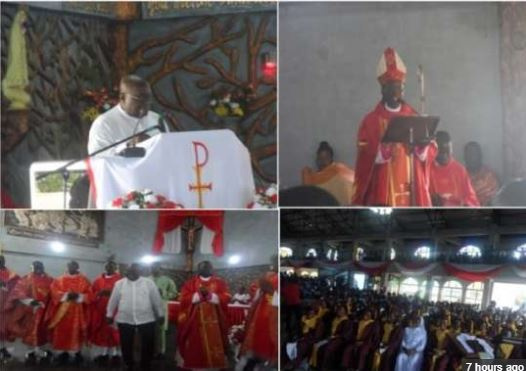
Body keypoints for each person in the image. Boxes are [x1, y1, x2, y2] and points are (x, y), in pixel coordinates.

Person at [352, 47, 436, 206]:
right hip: (383, 189)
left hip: (411, 187)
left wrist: (422, 148)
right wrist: (382, 150)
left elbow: (430, 151)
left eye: (401, 88)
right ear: (383, 89)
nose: (397, 93)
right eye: (393, 88)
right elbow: (364, 154)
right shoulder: (370, 121)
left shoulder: (414, 116)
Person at [87, 75, 165, 156]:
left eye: (148, 98)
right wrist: (128, 146)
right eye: (139, 98)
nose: (145, 103)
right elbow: (97, 159)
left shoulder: (156, 119)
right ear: (122, 97)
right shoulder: (104, 123)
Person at [106, 263, 164, 371]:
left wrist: (160, 314)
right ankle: (128, 364)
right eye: (128, 271)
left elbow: (156, 300)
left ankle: (145, 364)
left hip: (146, 318)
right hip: (125, 319)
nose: (130, 273)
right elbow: (113, 300)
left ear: (140, 272)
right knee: (126, 343)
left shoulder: (148, 283)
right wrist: (109, 314)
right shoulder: (119, 284)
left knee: (148, 343)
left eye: (133, 271)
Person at [178, 260, 231, 369]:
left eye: (207, 267)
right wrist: (198, 295)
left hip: (215, 322)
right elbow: (183, 298)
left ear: (212, 269)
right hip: (195, 322)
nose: (205, 269)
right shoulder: (191, 283)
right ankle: (195, 364)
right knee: (195, 345)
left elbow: (226, 297)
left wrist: (210, 296)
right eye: (202, 267)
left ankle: (214, 365)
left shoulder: (220, 283)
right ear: (198, 270)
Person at [7, 261, 53, 365]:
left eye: (40, 266)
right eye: (35, 267)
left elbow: (54, 292)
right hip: (30, 310)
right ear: (31, 268)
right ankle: (30, 353)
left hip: (45, 310)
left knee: (42, 332)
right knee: (30, 332)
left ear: (43, 267)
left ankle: (42, 354)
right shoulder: (26, 279)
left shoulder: (50, 280)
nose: (37, 268)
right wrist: (30, 301)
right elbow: (18, 292)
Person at [47, 260, 92, 365]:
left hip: (78, 312)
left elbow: (90, 294)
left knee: (76, 332)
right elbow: (53, 292)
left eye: (74, 266)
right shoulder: (59, 280)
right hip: (61, 313)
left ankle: (76, 353)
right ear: (67, 266)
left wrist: (79, 296)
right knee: (62, 332)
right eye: (70, 266)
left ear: (78, 267)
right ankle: (61, 354)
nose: (72, 267)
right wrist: (66, 295)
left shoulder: (84, 280)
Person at [238, 255, 279, 369]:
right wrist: (259, 289)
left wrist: (270, 291)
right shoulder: (269, 276)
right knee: (257, 341)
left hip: (274, 316)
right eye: (273, 262)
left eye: (276, 262)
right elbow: (255, 289)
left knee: (269, 342)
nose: (274, 265)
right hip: (260, 313)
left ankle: (269, 360)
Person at [429, 131, 480, 206]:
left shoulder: (460, 170)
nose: (444, 155)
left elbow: (473, 201)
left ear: (451, 149)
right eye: (441, 152)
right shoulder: (428, 170)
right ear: (433, 150)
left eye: (447, 151)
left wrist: (464, 204)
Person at [89, 261, 122, 366]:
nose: (110, 268)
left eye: (112, 266)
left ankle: (116, 355)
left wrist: (111, 293)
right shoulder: (98, 280)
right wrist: (99, 293)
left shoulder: (121, 280)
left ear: (116, 267)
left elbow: (126, 294)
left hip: (116, 310)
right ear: (105, 267)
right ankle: (104, 354)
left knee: (115, 333)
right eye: (108, 266)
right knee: (103, 332)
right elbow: (91, 293)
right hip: (101, 310)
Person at [302, 141, 355, 205]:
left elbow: (353, 180)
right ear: (317, 159)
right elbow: (308, 195)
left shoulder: (338, 169)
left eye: (326, 158)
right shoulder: (312, 177)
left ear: (331, 158)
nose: (323, 161)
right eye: (320, 158)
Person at [150, 262, 177, 359]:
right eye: (152, 267)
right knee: (148, 329)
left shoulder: (167, 280)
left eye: (155, 267)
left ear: (160, 269)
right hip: (148, 308)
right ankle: (150, 350)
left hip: (161, 307)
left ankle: (161, 351)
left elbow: (174, 293)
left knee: (161, 330)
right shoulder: (146, 280)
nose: (153, 269)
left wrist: (164, 293)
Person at [464, 141, 500, 206]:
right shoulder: (459, 176)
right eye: (469, 154)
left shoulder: (490, 175)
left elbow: (496, 199)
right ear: (465, 157)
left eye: (474, 154)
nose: (471, 157)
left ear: (480, 156)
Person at [0, 255, 20, 361]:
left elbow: (18, 287)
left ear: (4, 261)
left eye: (2, 260)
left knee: (5, 328)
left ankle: (4, 349)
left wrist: (6, 285)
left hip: (7, 305)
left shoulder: (12, 275)